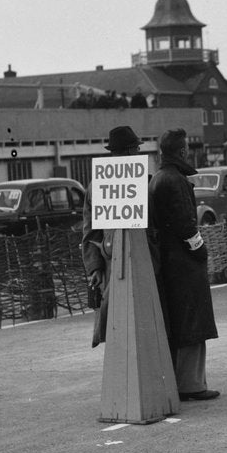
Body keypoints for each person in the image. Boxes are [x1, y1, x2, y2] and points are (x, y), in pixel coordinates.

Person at [149, 127, 220, 402]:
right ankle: (192, 384)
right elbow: (186, 224)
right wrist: (201, 250)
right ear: (181, 151)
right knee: (193, 322)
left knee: (179, 323)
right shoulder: (175, 180)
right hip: (184, 264)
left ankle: (182, 382)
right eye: (187, 147)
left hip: (168, 262)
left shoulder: (158, 178)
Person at [82, 125, 148, 348]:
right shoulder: (143, 181)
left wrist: (95, 267)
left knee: (120, 322)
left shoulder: (96, 185)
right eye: (137, 149)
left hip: (114, 262)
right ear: (130, 151)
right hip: (131, 261)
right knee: (127, 321)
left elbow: (89, 232)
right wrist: (95, 268)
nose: (138, 153)